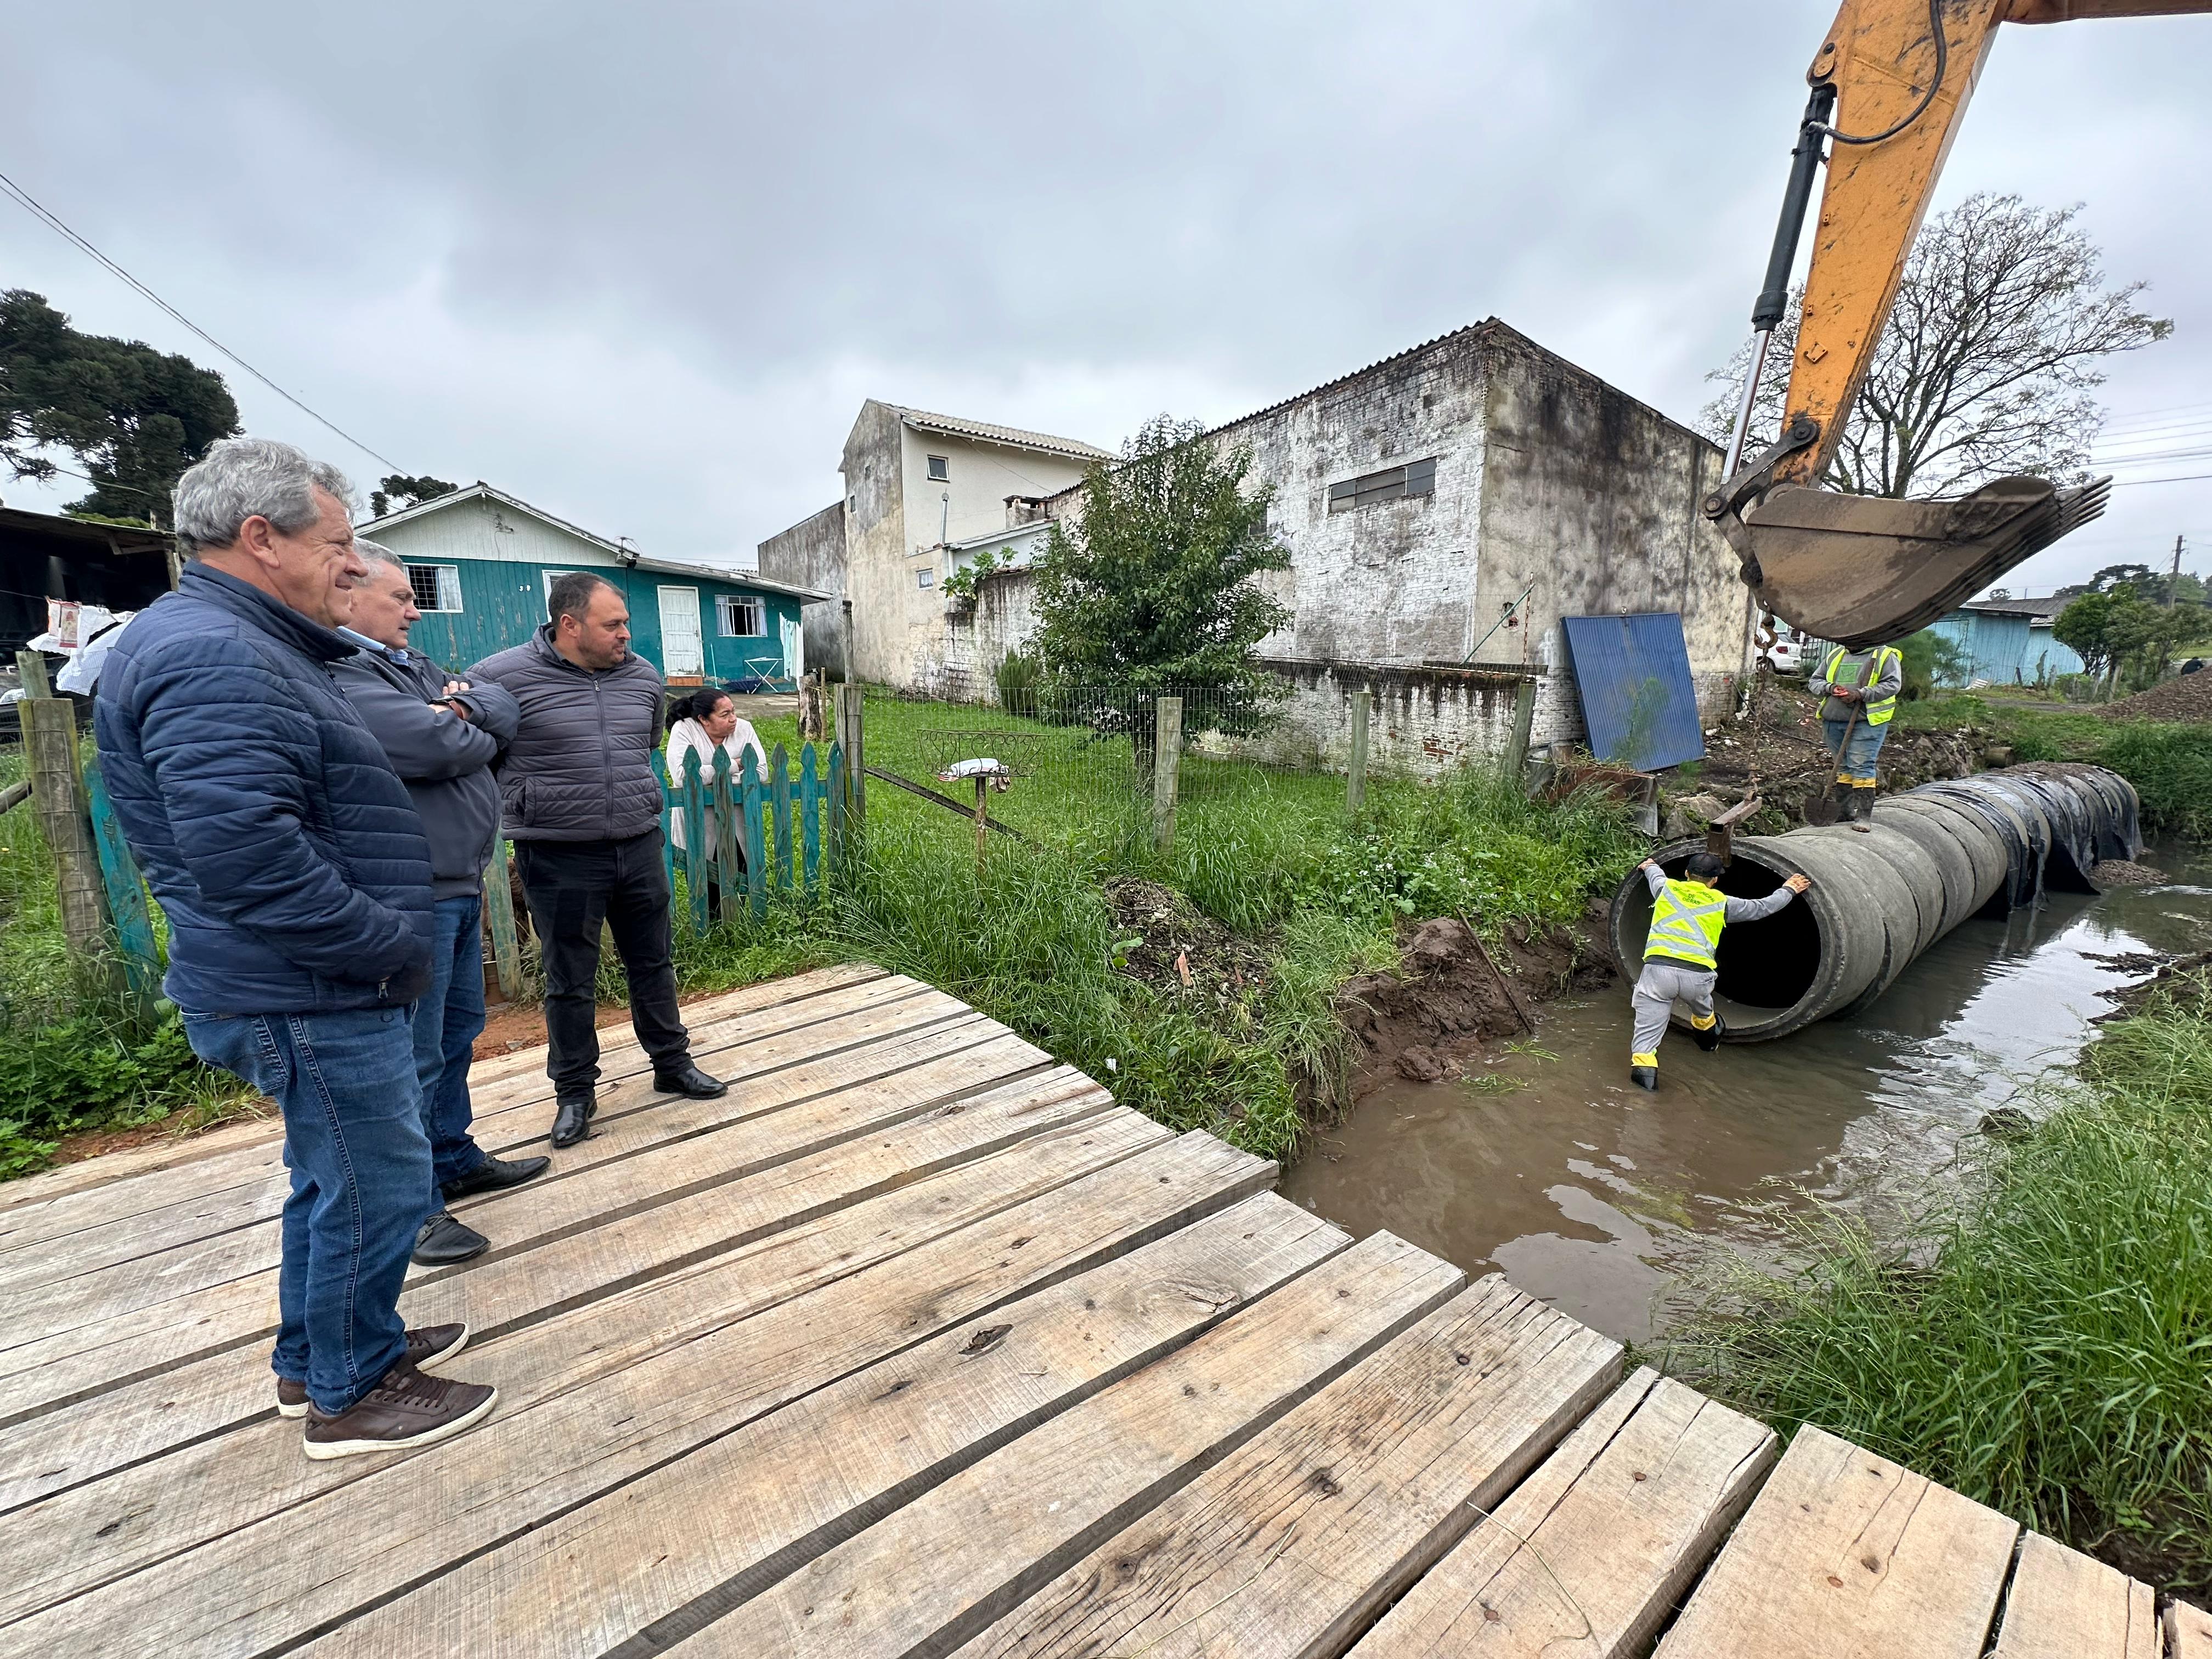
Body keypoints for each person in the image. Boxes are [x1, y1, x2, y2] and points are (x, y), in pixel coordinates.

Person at [95, 437, 496, 1458]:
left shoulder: (236, 640)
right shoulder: (216, 653)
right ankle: (351, 1390)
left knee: (334, 1176)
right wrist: (385, 947)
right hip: (305, 982)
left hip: (293, 975)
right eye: (340, 544)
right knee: (381, 1180)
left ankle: (316, 1352)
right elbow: (248, 853)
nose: (354, 567)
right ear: (261, 538)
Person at [333, 541, 550, 1267]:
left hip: (457, 883)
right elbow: (427, 744)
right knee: (414, 1057)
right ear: (351, 594)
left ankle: (454, 1157)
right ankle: (416, 1209)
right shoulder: (340, 667)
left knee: (458, 1034)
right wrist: (457, 722)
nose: (414, 610)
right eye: (400, 598)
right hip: (408, 891)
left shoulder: (411, 667)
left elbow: (499, 711)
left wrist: (458, 709)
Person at [469, 573, 727, 1148]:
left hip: (637, 842)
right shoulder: (499, 679)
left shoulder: (642, 677)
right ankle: (575, 1093)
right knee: (569, 979)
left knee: (653, 962)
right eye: (613, 625)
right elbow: (479, 754)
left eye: (626, 624)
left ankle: (671, 1063)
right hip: (558, 852)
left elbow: (644, 748)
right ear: (569, 625)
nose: (626, 635)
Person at [1628, 852, 1810, 1092]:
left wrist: (1649, 865)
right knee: (1703, 1010)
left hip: (1658, 972)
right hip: (1697, 975)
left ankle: (1644, 1093)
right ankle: (1707, 1033)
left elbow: (1655, 874)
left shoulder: (1666, 889)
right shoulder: (1722, 902)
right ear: (1715, 880)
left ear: (1686, 874)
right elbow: (1763, 907)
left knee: (1645, 1039)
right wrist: (1789, 889)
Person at [664, 687, 762, 913]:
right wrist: (735, 766)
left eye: (733, 711)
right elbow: (683, 777)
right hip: (699, 821)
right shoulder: (685, 730)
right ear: (703, 720)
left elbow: (760, 770)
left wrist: (709, 775)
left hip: (736, 820)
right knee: (703, 876)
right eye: (725, 714)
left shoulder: (744, 729)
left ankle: (734, 925)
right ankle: (709, 927)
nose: (733, 719)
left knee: (740, 872)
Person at [1808, 640, 1903, 822]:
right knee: (1843, 767)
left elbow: (1892, 685)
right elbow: (1815, 681)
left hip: (1866, 721)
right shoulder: (1836, 655)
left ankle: (1863, 816)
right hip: (1834, 720)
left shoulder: (1884, 655)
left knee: (1861, 765)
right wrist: (1830, 688)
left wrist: (1860, 694)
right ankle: (1844, 813)